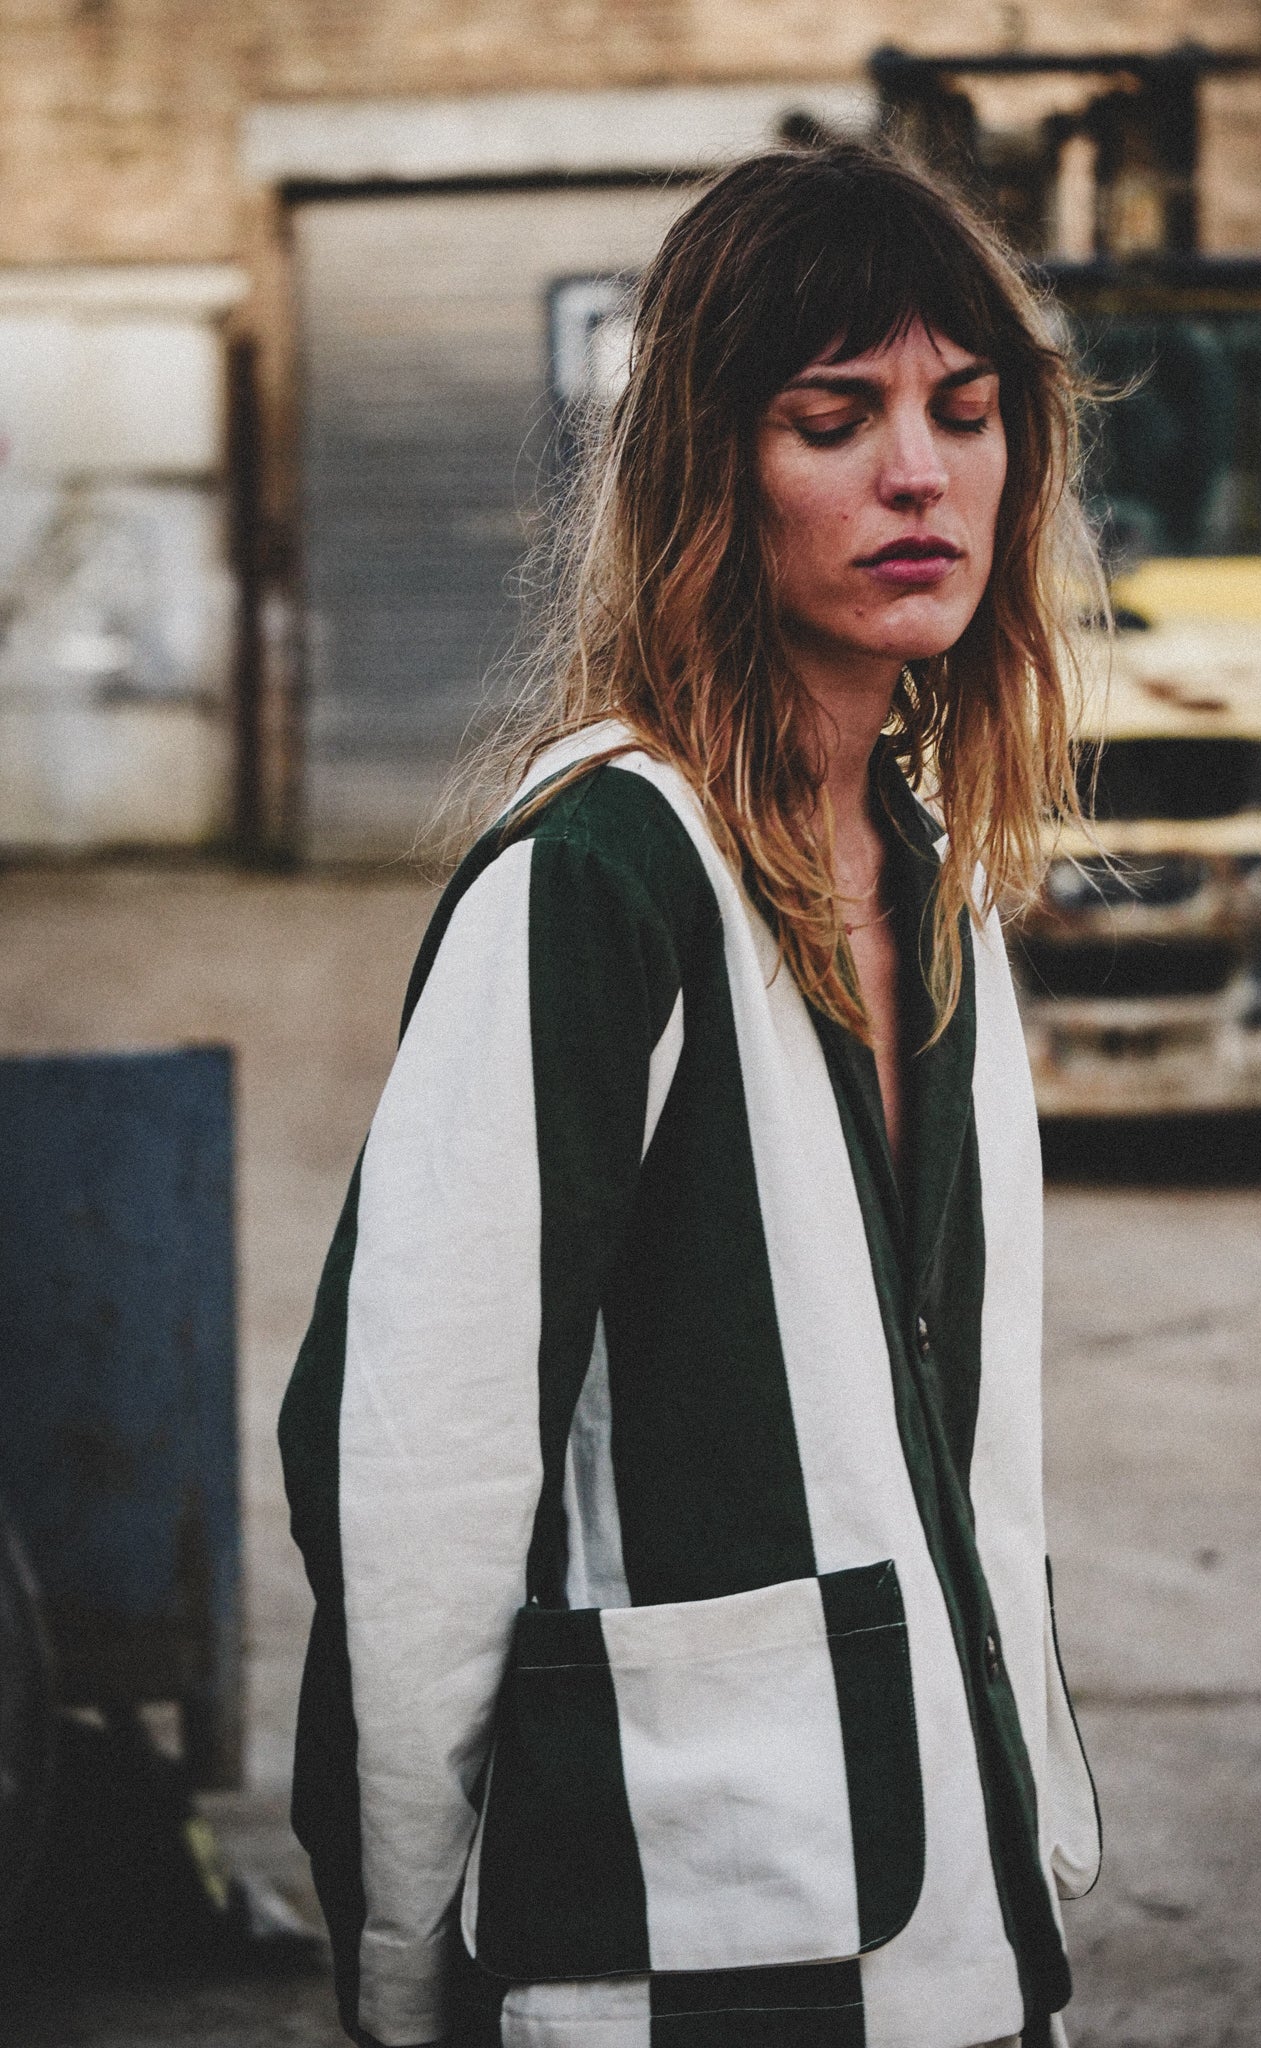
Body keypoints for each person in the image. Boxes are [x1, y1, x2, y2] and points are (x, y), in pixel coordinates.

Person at [280, 141, 1102, 2048]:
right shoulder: (598, 882)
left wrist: (1026, 1807)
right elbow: (411, 1479)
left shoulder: (940, 877)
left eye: (964, 414)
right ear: (714, 473)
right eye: (839, 417)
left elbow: (980, 1463)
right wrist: (409, 1969)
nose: (922, 472)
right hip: (672, 1952)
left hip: (957, 1944)